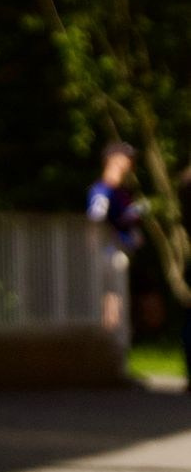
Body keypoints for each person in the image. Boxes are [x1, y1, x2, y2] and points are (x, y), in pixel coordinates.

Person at [87, 143, 147, 339]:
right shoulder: (102, 191)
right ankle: (110, 344)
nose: (129, 163)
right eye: (125, 159)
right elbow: (96, 221)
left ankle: (114, 345)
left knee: (117, 299)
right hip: (109, 253)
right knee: (111, 299)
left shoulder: (123, 193)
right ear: (112, 161)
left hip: (121, 252)